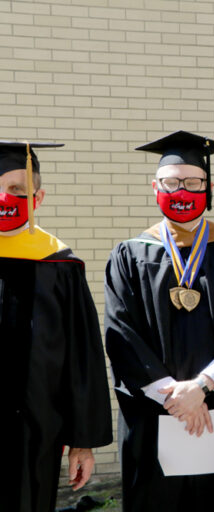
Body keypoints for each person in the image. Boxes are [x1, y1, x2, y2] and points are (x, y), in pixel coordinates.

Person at [104, 131, 214, 511]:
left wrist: (203, 387)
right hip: (154, 413)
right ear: (155, 186)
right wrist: (175, 396)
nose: (182, 191)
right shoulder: (129, 255)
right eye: (171, 183)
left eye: (192, 183)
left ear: (208, 188)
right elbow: (120, 333)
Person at [0, 141, 112, 512]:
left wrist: (81, 442)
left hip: (37, 435)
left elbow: (82, 359)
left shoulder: (60, 265)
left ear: (38, 197)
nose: (5, 197)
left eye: (17, 190)